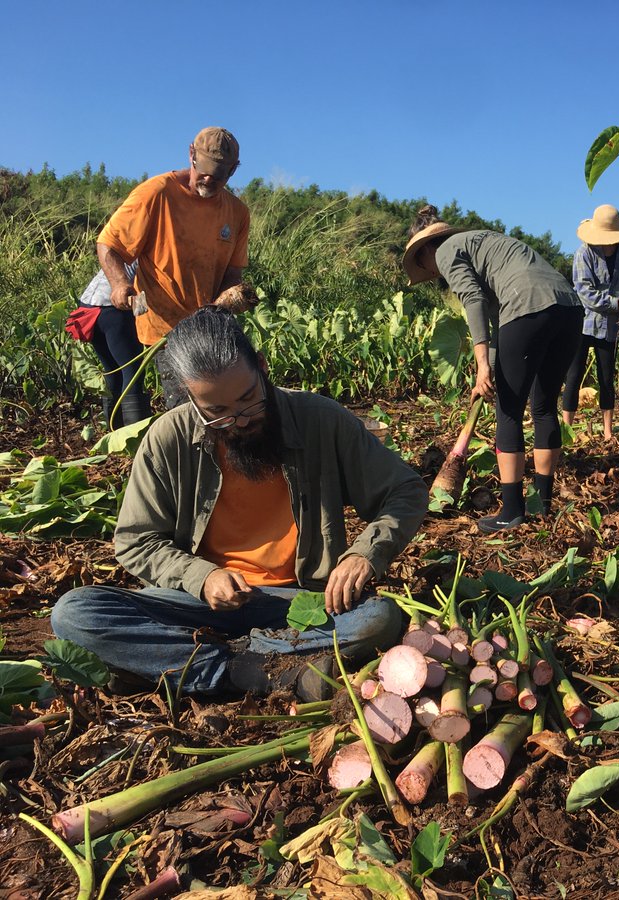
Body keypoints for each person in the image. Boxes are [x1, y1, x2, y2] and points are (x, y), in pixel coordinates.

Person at [50, 307, 428, 700]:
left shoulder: (321, 420)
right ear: (189, 397)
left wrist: (365, 554)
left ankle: (197, 665)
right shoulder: (167, 438)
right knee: (75, 613)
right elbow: (136, 541)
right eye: (218, 412)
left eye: (248, 399)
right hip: (195, 604)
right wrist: (203, 577)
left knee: (377, 619)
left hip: (297, 602)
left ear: (262, 368)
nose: (241, 420)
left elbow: (405, 490)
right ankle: (247, 668)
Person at [403, 206, 583, 532]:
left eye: (423, 265)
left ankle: (511, 512)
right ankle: (542, 503)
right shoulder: (484, 242)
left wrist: (481, 364)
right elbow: (503, 323)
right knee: (543, 408)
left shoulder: (445, 251)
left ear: (427, 249)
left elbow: (474, 301)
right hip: (569, 309)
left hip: (528, 307)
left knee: (509, 411)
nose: (432, 272)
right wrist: (492, 368)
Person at [97, 127, 255, 404]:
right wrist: (120, 283)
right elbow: (109, 244)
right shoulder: (157, 194)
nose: (208, 178)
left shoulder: (237, 212)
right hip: (166, 326)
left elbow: (233, 272)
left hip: (211, 325)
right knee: (183, 406)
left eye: (218, 174)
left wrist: (230, 298)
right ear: (191, 154)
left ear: (233, 172)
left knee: (226, 402)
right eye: (203, 169)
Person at [563, 205, 619, 440]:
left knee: (606, 378)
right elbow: (585, 292)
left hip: (611, 326)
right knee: (573, 375)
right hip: (583, 322)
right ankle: (567, 430)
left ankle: (607, 431)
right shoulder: (583, 253)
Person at [70, 263, 152, 427]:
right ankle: (134, 438)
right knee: (132, 372)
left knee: (113, 370)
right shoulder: (151, 253)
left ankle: (114, 430)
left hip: (88, 306)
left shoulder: (127, 251)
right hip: (112, 309)